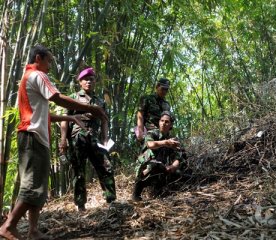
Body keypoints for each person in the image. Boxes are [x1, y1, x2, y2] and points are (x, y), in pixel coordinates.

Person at [0, 45, 108, 240]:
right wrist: (91, 108)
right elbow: (57, 98)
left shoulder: (28, 78)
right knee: (32, 185)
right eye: (49, 61)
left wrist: (71, 119)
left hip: (35, 136)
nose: (50, 66)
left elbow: (43, 113)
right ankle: (8, 226)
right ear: (39, 58)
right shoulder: (37, 75)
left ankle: (33, 231)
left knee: (38, 186)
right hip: (32, 136)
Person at [59, 66, 116, 212]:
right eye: (85, 80)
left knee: (106, 166)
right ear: (80, 82)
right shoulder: (73, 98)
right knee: (79, 172)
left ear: (95, 82)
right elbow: (64, 120)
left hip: (95, 138)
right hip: (78, 137)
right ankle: (80, 204)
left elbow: (104, 120)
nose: (89, 82)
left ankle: (111, 200)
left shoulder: (100, 101)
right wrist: (63, 140)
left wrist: (105, 138)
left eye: (91, 79)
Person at [132, 111, 185, 201]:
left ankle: (160, 191)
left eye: (167, 122)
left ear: (171, 125)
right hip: (147, 167)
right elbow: (150, 144)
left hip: (161, 168)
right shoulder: (152, 133)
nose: (163, 123)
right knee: (154, 165)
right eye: (162, 121)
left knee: (180, 172)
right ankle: (137, 192)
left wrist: (173, 166)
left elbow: (179, 156)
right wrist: (165, 143)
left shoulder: (173, 139)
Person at [135, 78, 171, 142]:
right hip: (149, 134)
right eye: (163, 89)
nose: (164, 92)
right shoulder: (147, 99)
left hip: (162, 136)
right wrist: (140, 131)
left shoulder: (167, 104)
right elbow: (140, 115)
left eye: (166, 90)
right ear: (157, 86)